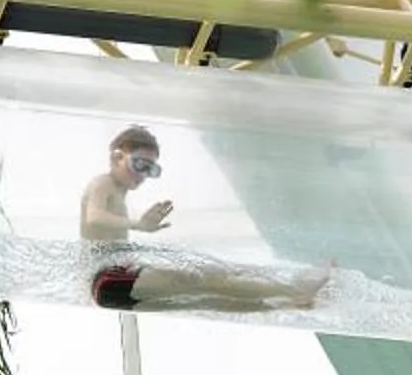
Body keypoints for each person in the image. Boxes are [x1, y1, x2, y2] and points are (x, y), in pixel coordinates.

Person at [79, 124, 329, 313]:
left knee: (209, 297)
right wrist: (139, 225)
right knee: (204, 280)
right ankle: (294, 291)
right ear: (117, 156)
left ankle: (290, 302)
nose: (143, 175)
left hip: (112, 285)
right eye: (140, 164)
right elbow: (94, 217)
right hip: (110, 280)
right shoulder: (103, 183)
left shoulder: (118, 194)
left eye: (151, 169)